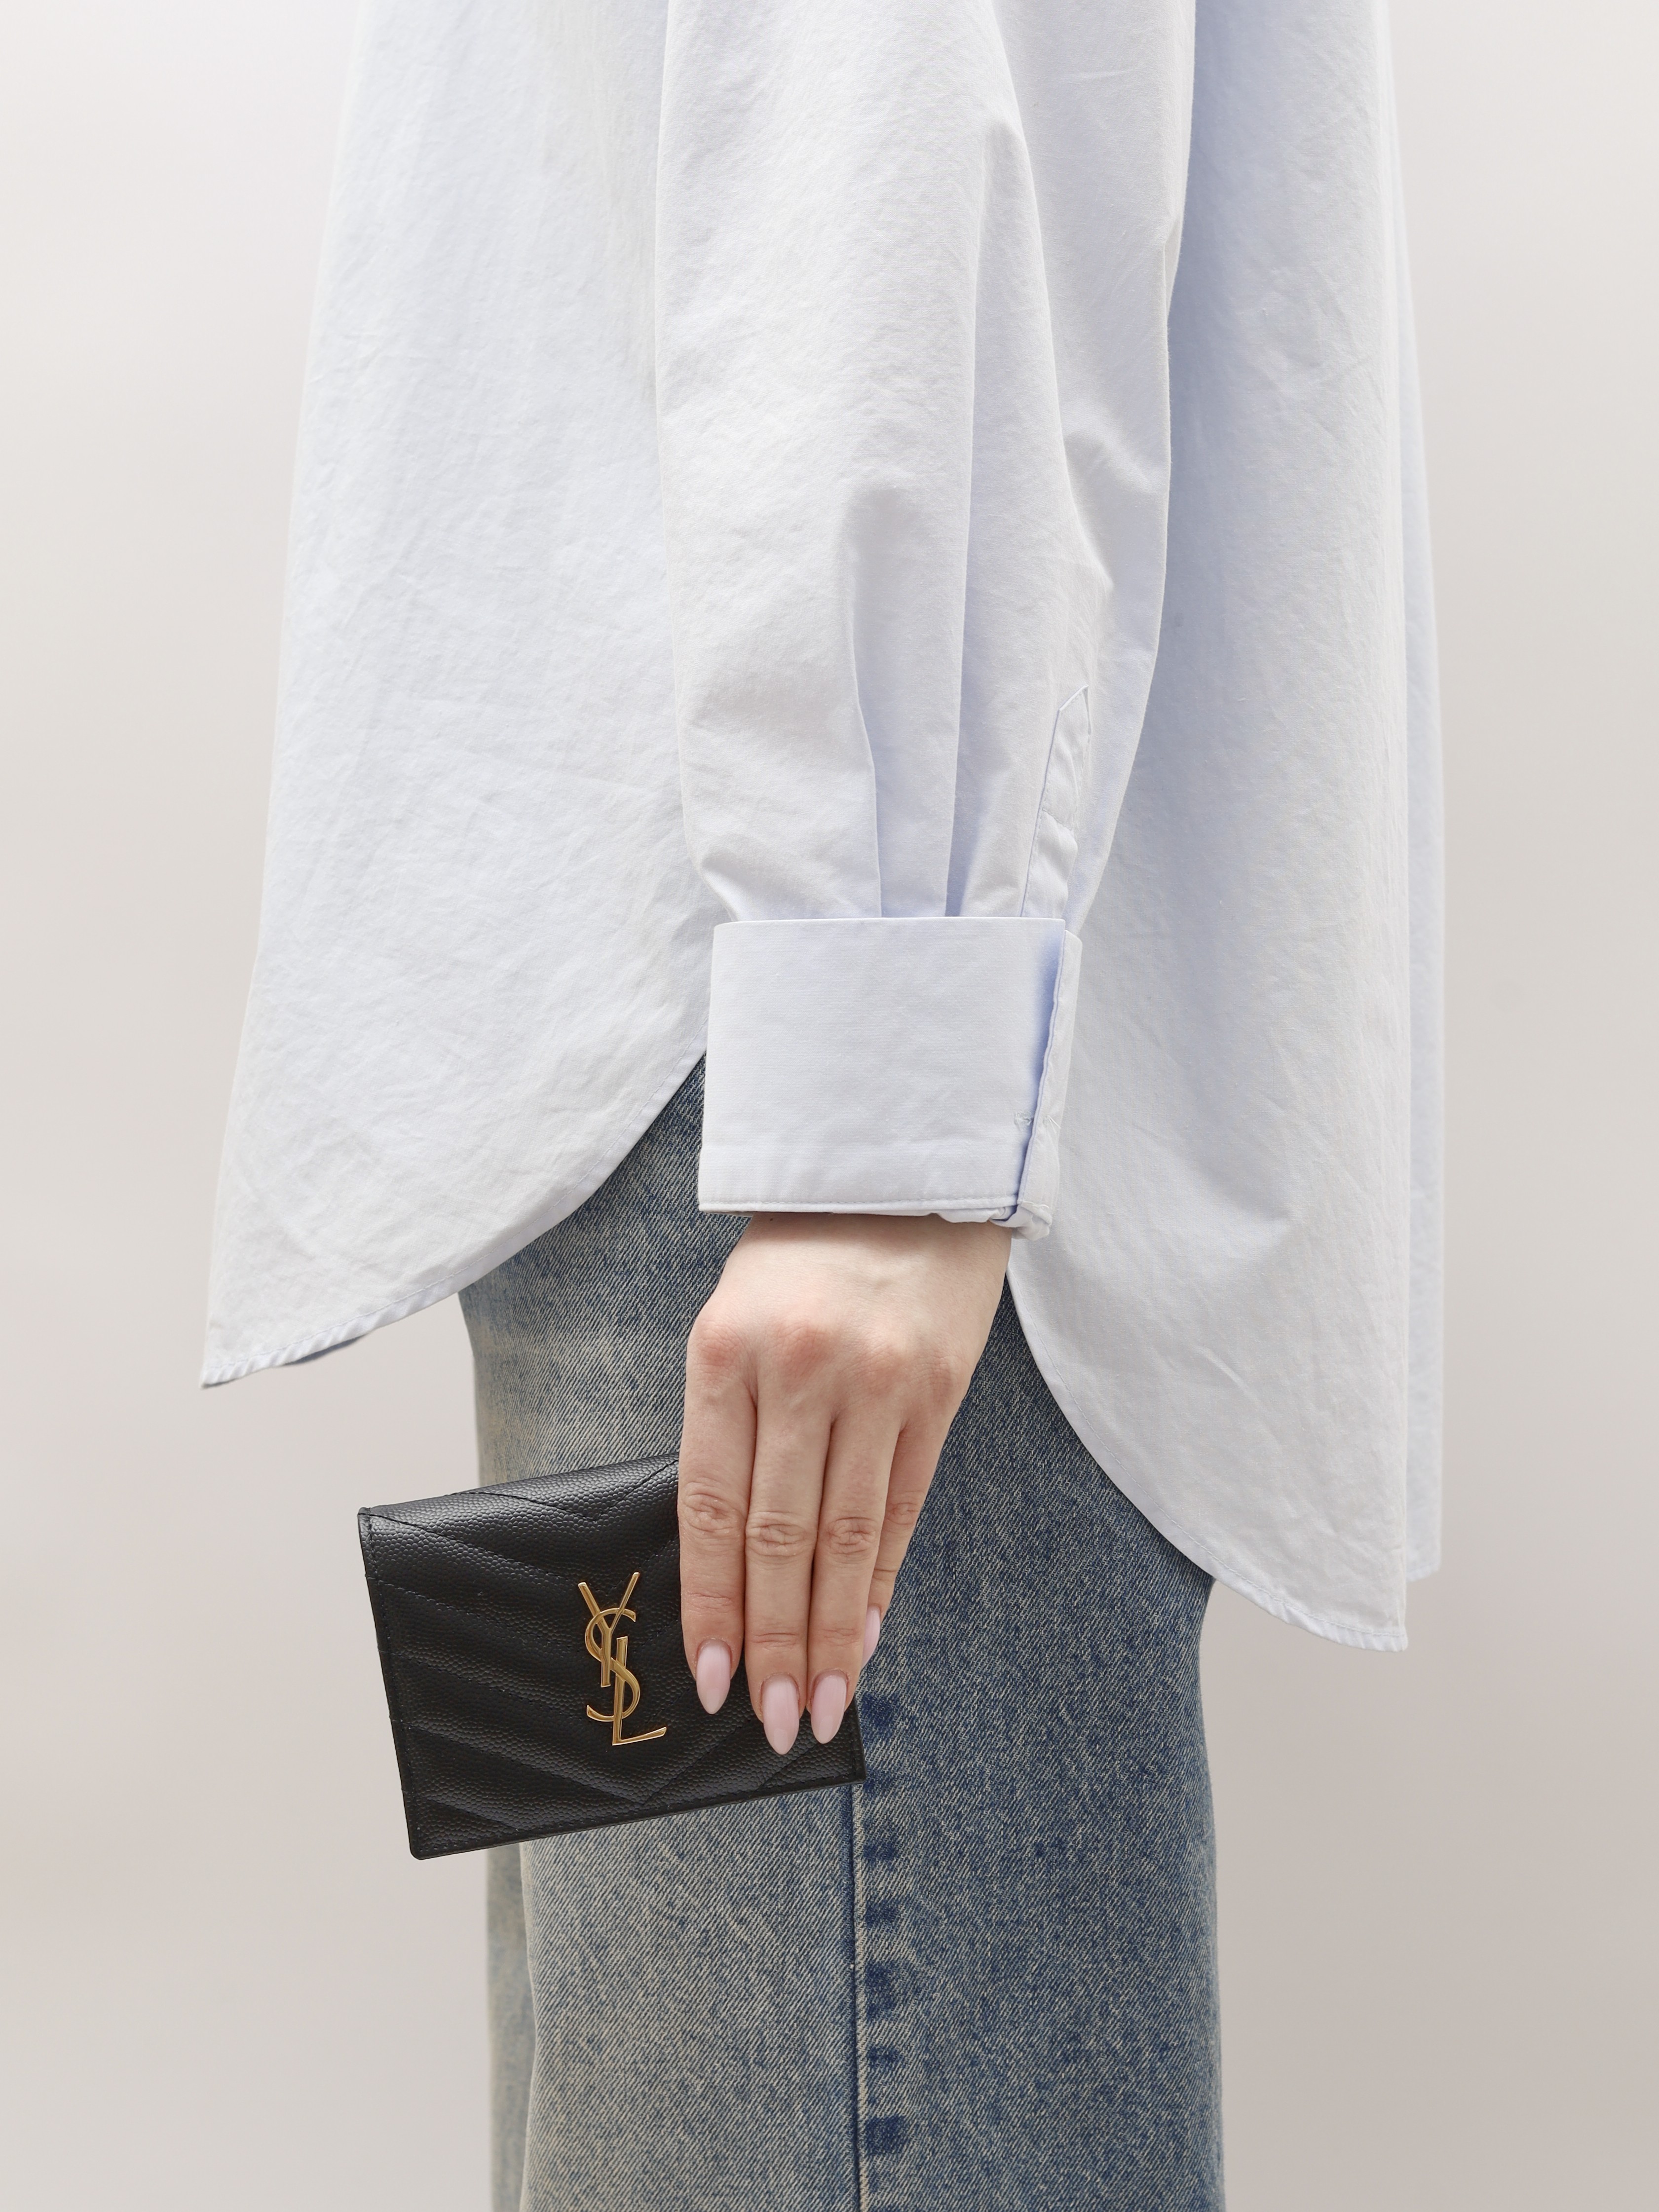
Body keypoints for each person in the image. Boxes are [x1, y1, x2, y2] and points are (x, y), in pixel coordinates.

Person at [206, 0, 1441, 2204]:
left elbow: (889, 93)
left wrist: (886, 1092)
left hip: (793, 1092)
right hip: (703, 1055)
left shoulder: (853, 1065)